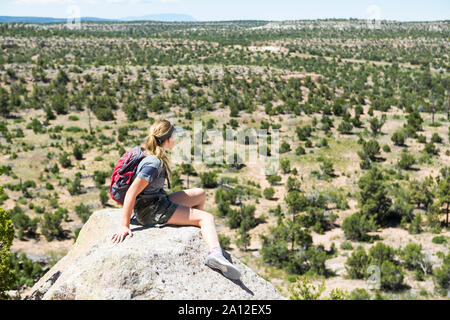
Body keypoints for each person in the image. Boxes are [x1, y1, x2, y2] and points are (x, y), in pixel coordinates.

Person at [111, 119, 241, 280]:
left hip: (157, 201)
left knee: (200, 193)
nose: (175, 138)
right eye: (173, 135)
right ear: (167, 139)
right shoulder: (153, 163)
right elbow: (131, 192)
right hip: (151, 210)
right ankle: (215, 256)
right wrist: (124, 225)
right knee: (207, 218)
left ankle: (197, 229)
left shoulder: (149, 154)